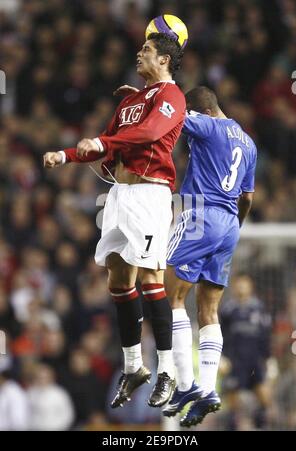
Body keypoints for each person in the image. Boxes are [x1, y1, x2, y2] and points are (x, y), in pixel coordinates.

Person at [43, 33, 186, 409]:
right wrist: (66, 154)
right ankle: (134, 367)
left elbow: (151, 133)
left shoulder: (171, 96)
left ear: (166, 61)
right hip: (119, 196)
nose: (140, 53)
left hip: (150, 193)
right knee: (119, 281)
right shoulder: (131, 100)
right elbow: (106, 139)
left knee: (152, 279)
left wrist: (106, 145)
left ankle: (167, 371)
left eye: (148, 50)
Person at [162, 86, 257, 427]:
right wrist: (233, 226)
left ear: (199, 112)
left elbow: (170, 115)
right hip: (230, 223)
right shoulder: (248, 142)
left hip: (200, 215)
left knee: (168, 297)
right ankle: (207, 388)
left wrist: (145, 97)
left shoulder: (206, 125)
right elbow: (247, 197)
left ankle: (186, 385)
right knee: (208, 310)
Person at [220, 273, 271, 430]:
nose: (242, 286)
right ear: (234, 286)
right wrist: (221, 357)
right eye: (239, 283)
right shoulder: (228, 310)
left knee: (264, 398)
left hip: (255, 361)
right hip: (234, 361)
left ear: (251, 286)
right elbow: (220, 335)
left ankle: (260, 423)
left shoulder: (259, 308)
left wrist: (269, 358)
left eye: (245, 283)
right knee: (233, 404)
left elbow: (266, 335)